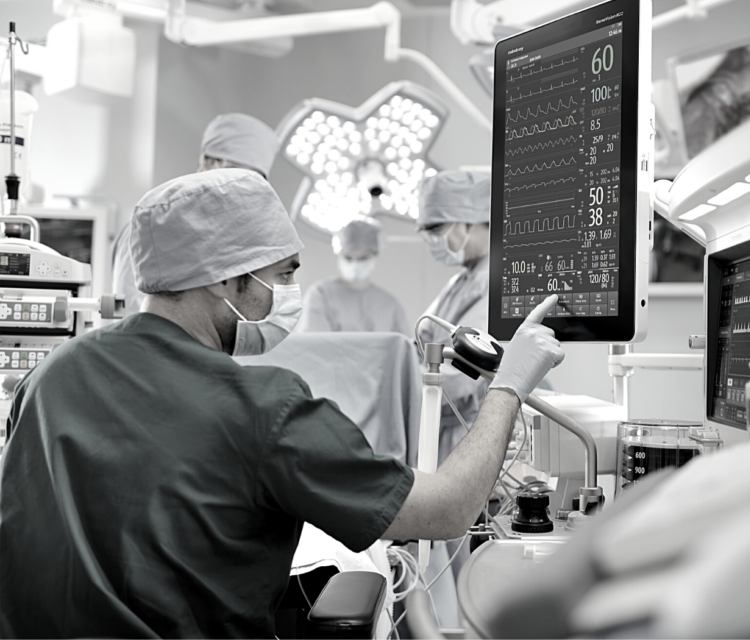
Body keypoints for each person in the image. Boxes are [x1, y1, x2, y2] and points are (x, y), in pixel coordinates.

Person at [0, 169, 564, 638]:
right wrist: (510, 384)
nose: (291, 293)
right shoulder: (261, 409)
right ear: (225, 279)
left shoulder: (50, 377)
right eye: (282, 274)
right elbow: (446, 510)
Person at [111, 112, 278, 316]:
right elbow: (131, 313)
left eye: (255, 184)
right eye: (240, 177)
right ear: (209, 162)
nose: (244, 192)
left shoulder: (236, 241)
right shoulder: (153, 226)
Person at [416, 169, 492, 463]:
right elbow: (420, 341)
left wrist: (403, 383)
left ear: (472, 220)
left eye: (437, 229)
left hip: (470, 433)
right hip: (444, 429)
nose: (432, 240)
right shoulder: (460, 282)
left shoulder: (493, 283)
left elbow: (464, 375)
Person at [296, 216, 409, 334]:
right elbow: (313, 344)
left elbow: (406, 348)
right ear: (338, 255)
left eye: (363, 258)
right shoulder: (321, 295)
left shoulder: (389, 304)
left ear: (375, 255)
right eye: (348, 257)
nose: (355, 264)